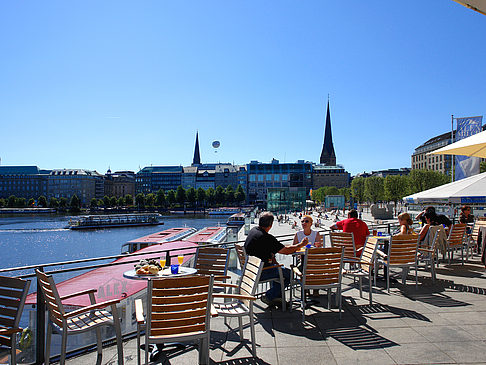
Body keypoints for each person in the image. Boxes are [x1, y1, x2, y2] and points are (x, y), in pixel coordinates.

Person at [244, 211, 308, 306]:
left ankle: (277, 298)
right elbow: (285, 251)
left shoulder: (253, 231)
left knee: (278, 269)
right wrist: (301, 245)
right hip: (261, 272)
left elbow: (268, 248)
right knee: (289, 274)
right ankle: (270, 296)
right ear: (271, 224)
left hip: (250, 269)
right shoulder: (266, 238)